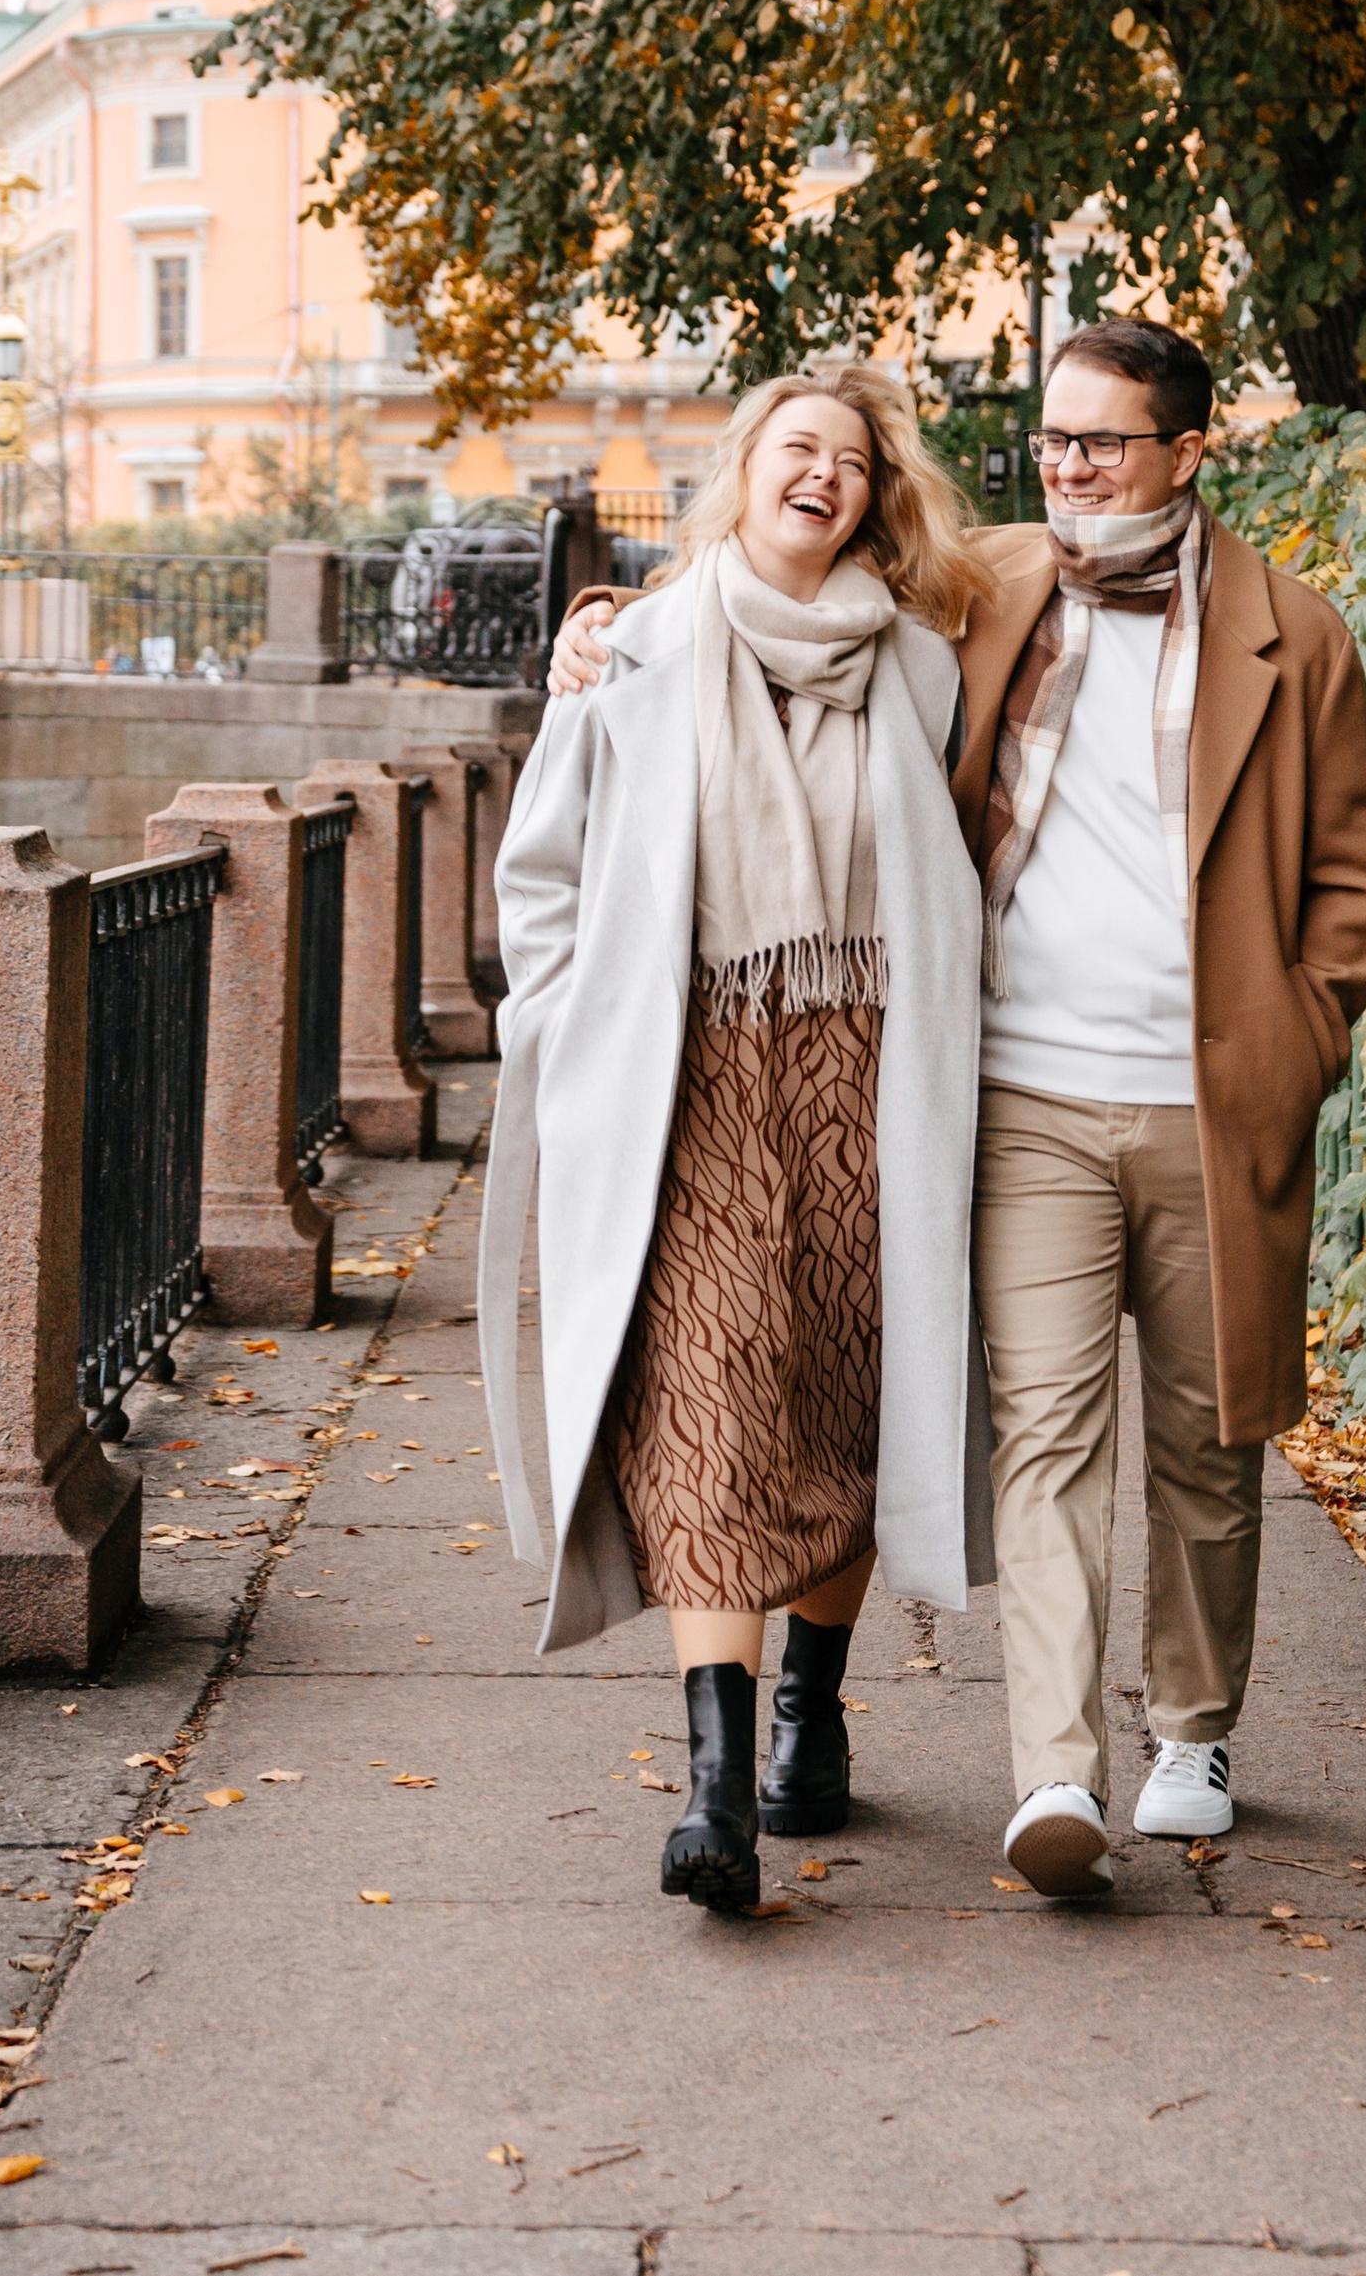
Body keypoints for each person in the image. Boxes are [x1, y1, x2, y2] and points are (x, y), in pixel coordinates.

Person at [552, 318, 1366, 1900]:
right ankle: (1053, 1772)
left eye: (1103, 442)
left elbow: (1356, 874)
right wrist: (601, 624)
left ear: (1187, 452)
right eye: (1055, 440)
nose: (1069, 467)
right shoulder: (990, 584)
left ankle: (1194, 1731)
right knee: (1045, 1439)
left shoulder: (1296, 634)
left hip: (1213, 1103)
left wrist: (1300, 1037)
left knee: (1213, 1443)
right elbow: (774, 572)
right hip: (1020, 1089)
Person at [478, 362, 996, 1913]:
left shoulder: (920, 664)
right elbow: (543, 871)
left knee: (843, 1391)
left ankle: (810, 1711)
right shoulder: (630, 646)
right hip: (686, 1071)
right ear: (746, 469)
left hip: (868, 1066)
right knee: (707, 1387)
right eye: (798, 446)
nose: (823, 472)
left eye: (851, 456)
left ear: (876, 493)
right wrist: (564, 1034)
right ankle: (711, 1790)